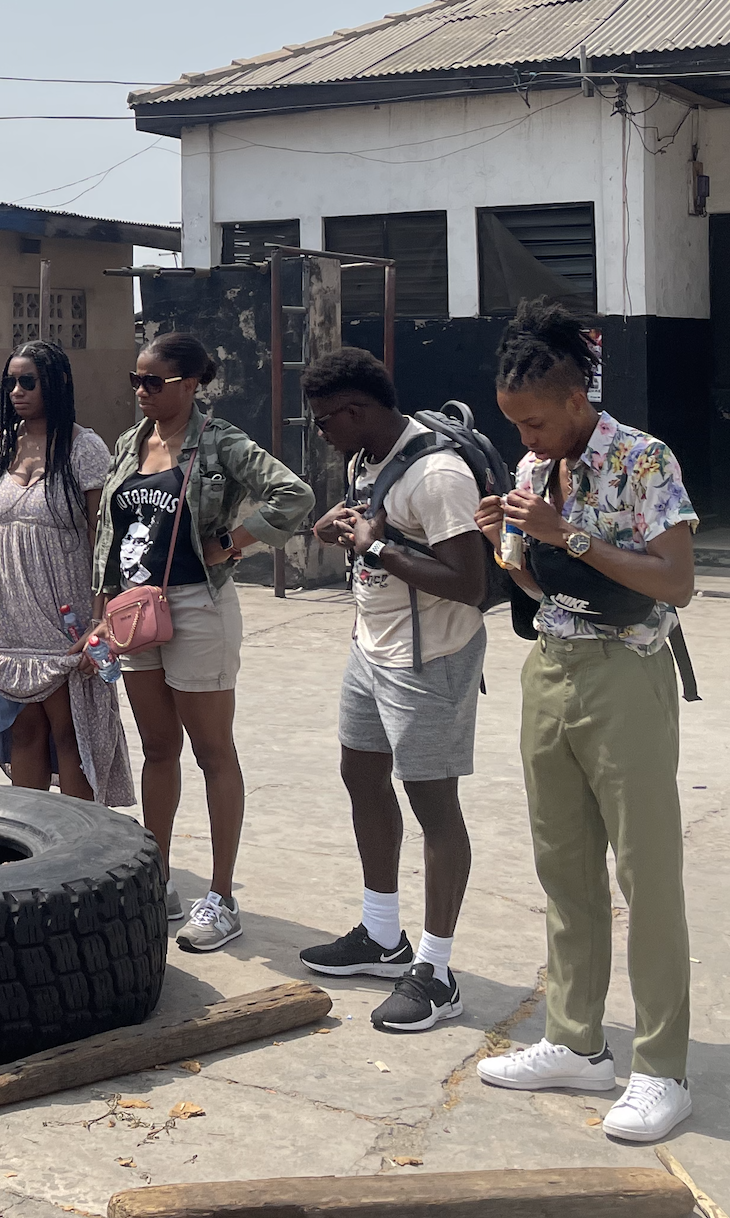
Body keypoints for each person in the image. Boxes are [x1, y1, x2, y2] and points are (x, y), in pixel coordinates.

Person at [470, 299, 699, 1145]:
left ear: (576, 401)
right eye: (513, 425)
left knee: (646, 874)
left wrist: (566, 536)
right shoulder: (532, 475)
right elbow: (540, 594)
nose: (524, 440)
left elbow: (673, 580)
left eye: (534, 422)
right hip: (551, 671)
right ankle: (573, 1040)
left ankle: (660, 1066)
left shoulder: (642, 460)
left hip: (626, 676)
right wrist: (512, 542)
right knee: (562, 867)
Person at [94, 332, 312, 953]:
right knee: (158, 750)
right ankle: (156, 879)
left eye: (154, 381)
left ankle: (221, 896)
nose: (141, 391)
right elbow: (111, 529)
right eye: (136, 380)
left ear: (191, 385)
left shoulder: (220, 444)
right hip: (135, 610)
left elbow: (294, 494)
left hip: (198, 606)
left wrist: (236, 541)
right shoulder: (128, 446)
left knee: (213, 750)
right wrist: (99, 608)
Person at [301, 347, 488, 1031]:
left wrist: (376, 549)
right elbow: (372, 524)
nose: (320, 431)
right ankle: (382, 935)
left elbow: (469, 584)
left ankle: (436, 973)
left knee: (433, 805)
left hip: (429, 658)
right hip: (370, 646)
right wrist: (339, 526)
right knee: (360, 774)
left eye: (325, 420)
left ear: (357, 411)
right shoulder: (366, 458)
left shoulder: (438, 474)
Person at [0, 339, 132, 810]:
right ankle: (36, 841)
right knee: (25, 730)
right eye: (10, 382)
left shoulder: (85, 448)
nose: (15, 391)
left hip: (65, 614)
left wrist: (102, 616)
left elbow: (105, 541)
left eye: (27, 382)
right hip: (5, 613)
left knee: (71, 730)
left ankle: (78, 849)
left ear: (56, 384)